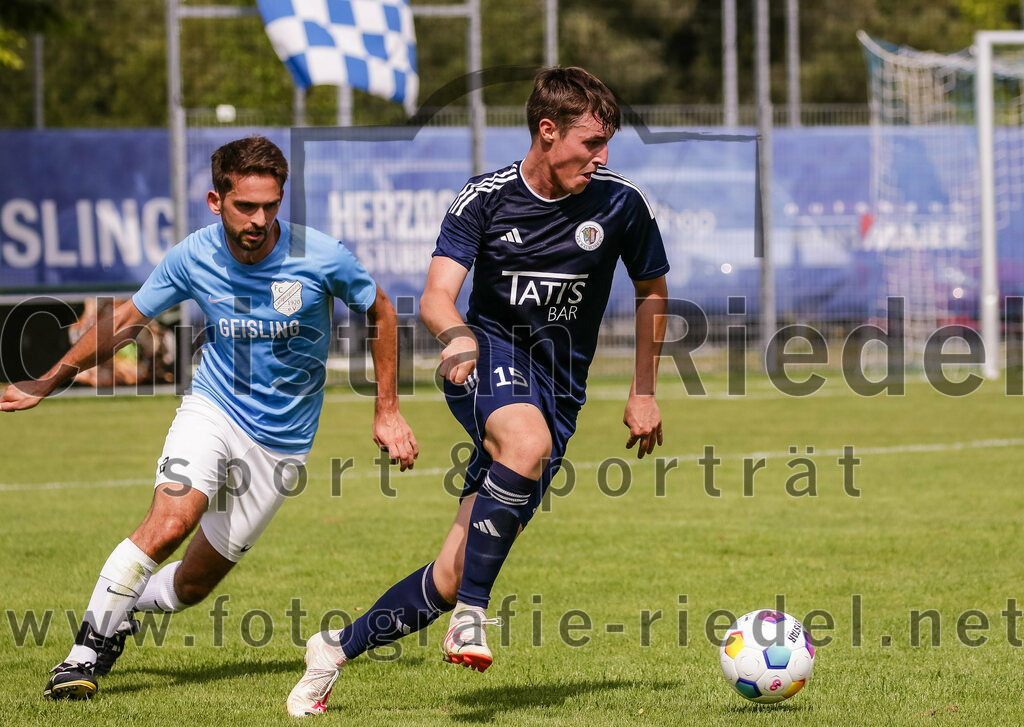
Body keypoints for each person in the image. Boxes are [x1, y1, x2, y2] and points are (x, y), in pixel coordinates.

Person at [287, 67, 668, 718]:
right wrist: (458, 336)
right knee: (525, 440)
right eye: (591, 142)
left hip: (559, 391)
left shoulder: (620, 205)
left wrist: (644, 390)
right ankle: (473, 616)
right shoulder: (484, 198)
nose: (602, 157)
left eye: (608, 144)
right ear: (546, 132)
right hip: (483, 359)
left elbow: (652, 289)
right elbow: (437, 296)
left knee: (449, 572)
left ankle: (333, 650)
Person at [0, 136, 419, 701]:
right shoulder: (193, 255)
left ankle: (121, 610)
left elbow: (380, 309)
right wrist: (52, 377)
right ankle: (82, 656)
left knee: (194, 585)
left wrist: (387, 408)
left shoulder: (318, 255)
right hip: (213, 409)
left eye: (271, 205)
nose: (260, 219)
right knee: (170, 522)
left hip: (283, 446)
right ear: (215, 200)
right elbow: (124, 319)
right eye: (246, 205)